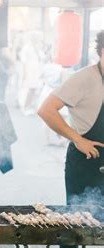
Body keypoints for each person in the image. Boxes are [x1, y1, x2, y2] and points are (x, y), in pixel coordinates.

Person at [38, 31, 104, 248]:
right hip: (86, 164)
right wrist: (77, 139)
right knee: (76, 229)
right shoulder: (85, 78)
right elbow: (46, 110)